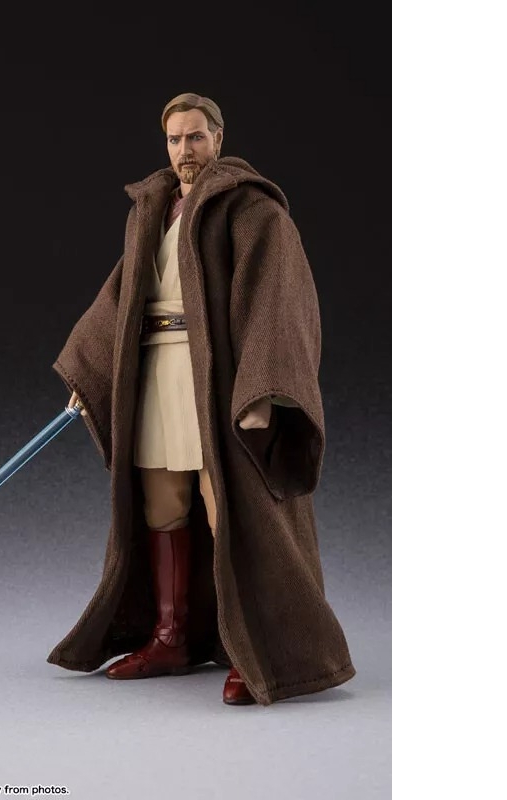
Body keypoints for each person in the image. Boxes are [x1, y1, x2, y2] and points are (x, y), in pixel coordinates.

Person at [48, 92, 355, 706]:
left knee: (229, 506)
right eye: (174, 139)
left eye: (194, 137)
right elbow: (120, 296)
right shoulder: (151, 211)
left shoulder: (250, 209)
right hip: (156, 370)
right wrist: (90, 372)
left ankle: (250, 649)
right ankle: (171, 637)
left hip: (215, 376)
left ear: (218, 138)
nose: (184, 150)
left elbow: (277, 300)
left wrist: (261, 389)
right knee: (162, 499)